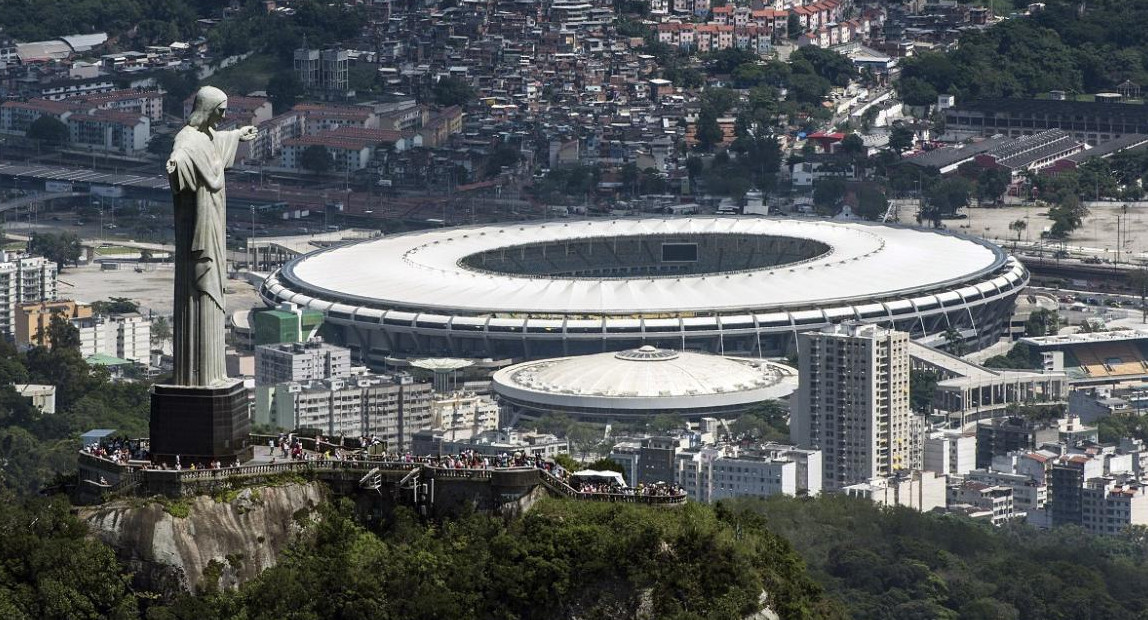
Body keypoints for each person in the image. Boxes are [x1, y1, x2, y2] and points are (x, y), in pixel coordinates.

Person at [166, 86, 258, 387]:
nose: (224, 115)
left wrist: (237, 135)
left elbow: (215, 141)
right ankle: (198, 377)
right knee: (199, 292)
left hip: (215, 218)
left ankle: (214, 374)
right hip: (200, 224)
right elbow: (181, 153)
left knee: (214, 289)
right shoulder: (187, 138)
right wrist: (176, 165)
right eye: (220, 110)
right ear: (207, 108)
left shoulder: (207, 135)